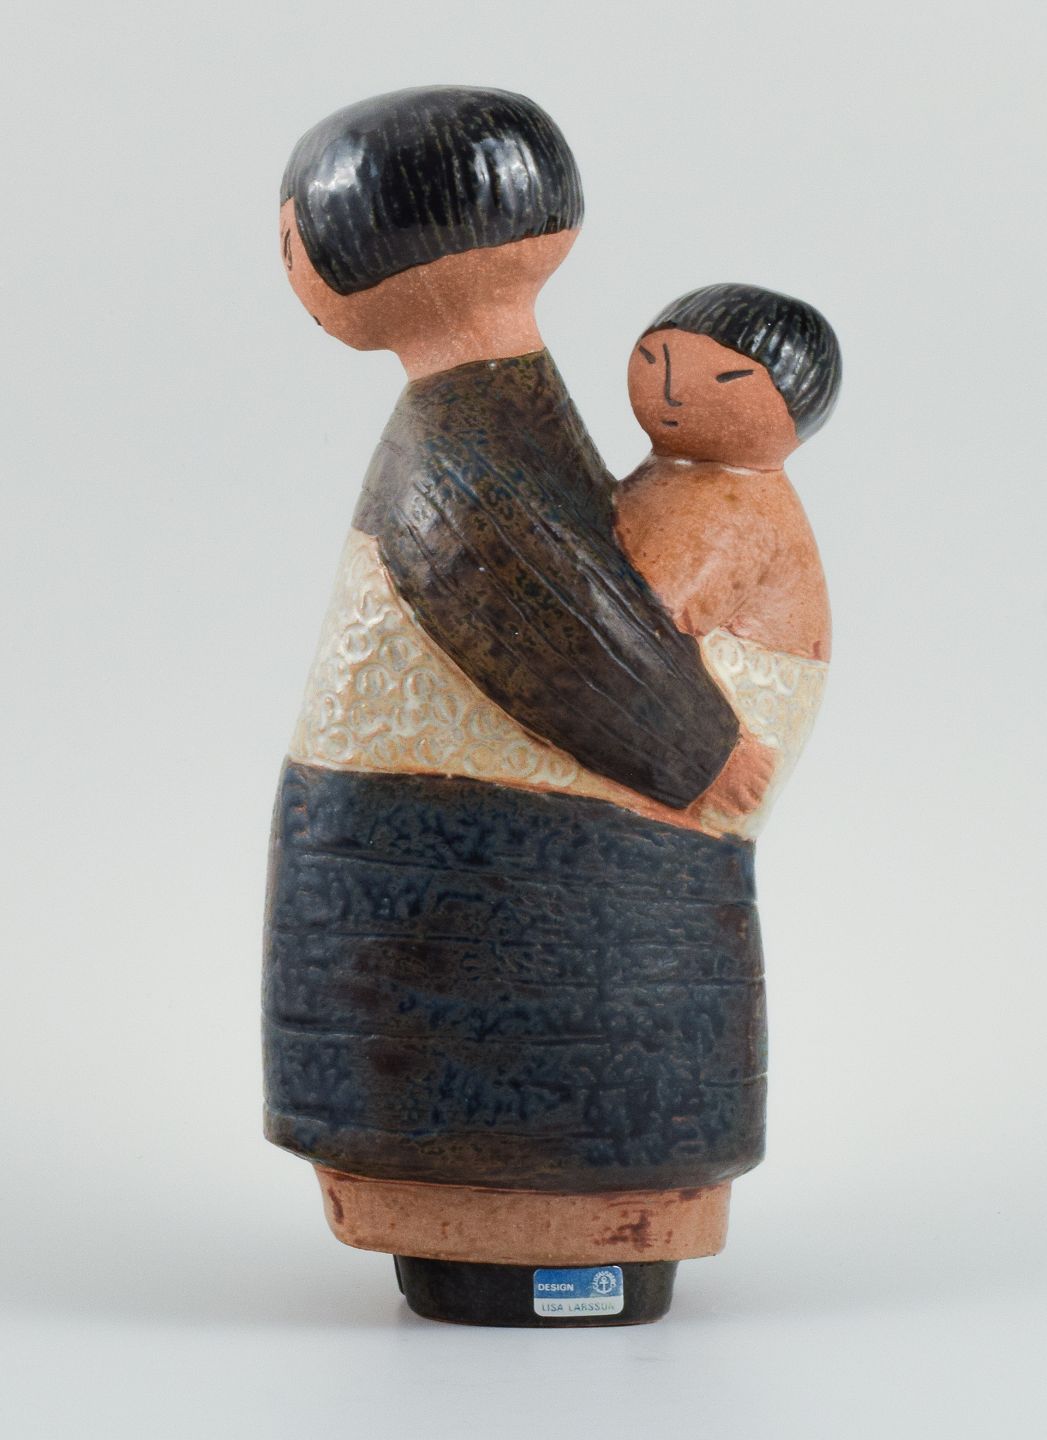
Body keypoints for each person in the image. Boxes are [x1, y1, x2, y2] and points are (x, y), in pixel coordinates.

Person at [265, 90, 781, 1324]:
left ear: (363, 248)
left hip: (496, 849)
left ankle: (537, 1233)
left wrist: (697, 752)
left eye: (291, 240)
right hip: (491, 836)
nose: (289, 264)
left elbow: (556, 617)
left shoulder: (464, 434)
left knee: (508, 1072)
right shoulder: (495, 411)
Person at [616, 282, 842, 837]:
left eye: (727, 378)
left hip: (719, 739)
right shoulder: (675, 474)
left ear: (797, 411)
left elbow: (649, 617)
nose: (671, 392)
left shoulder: (735, 507)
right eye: (654, 361)